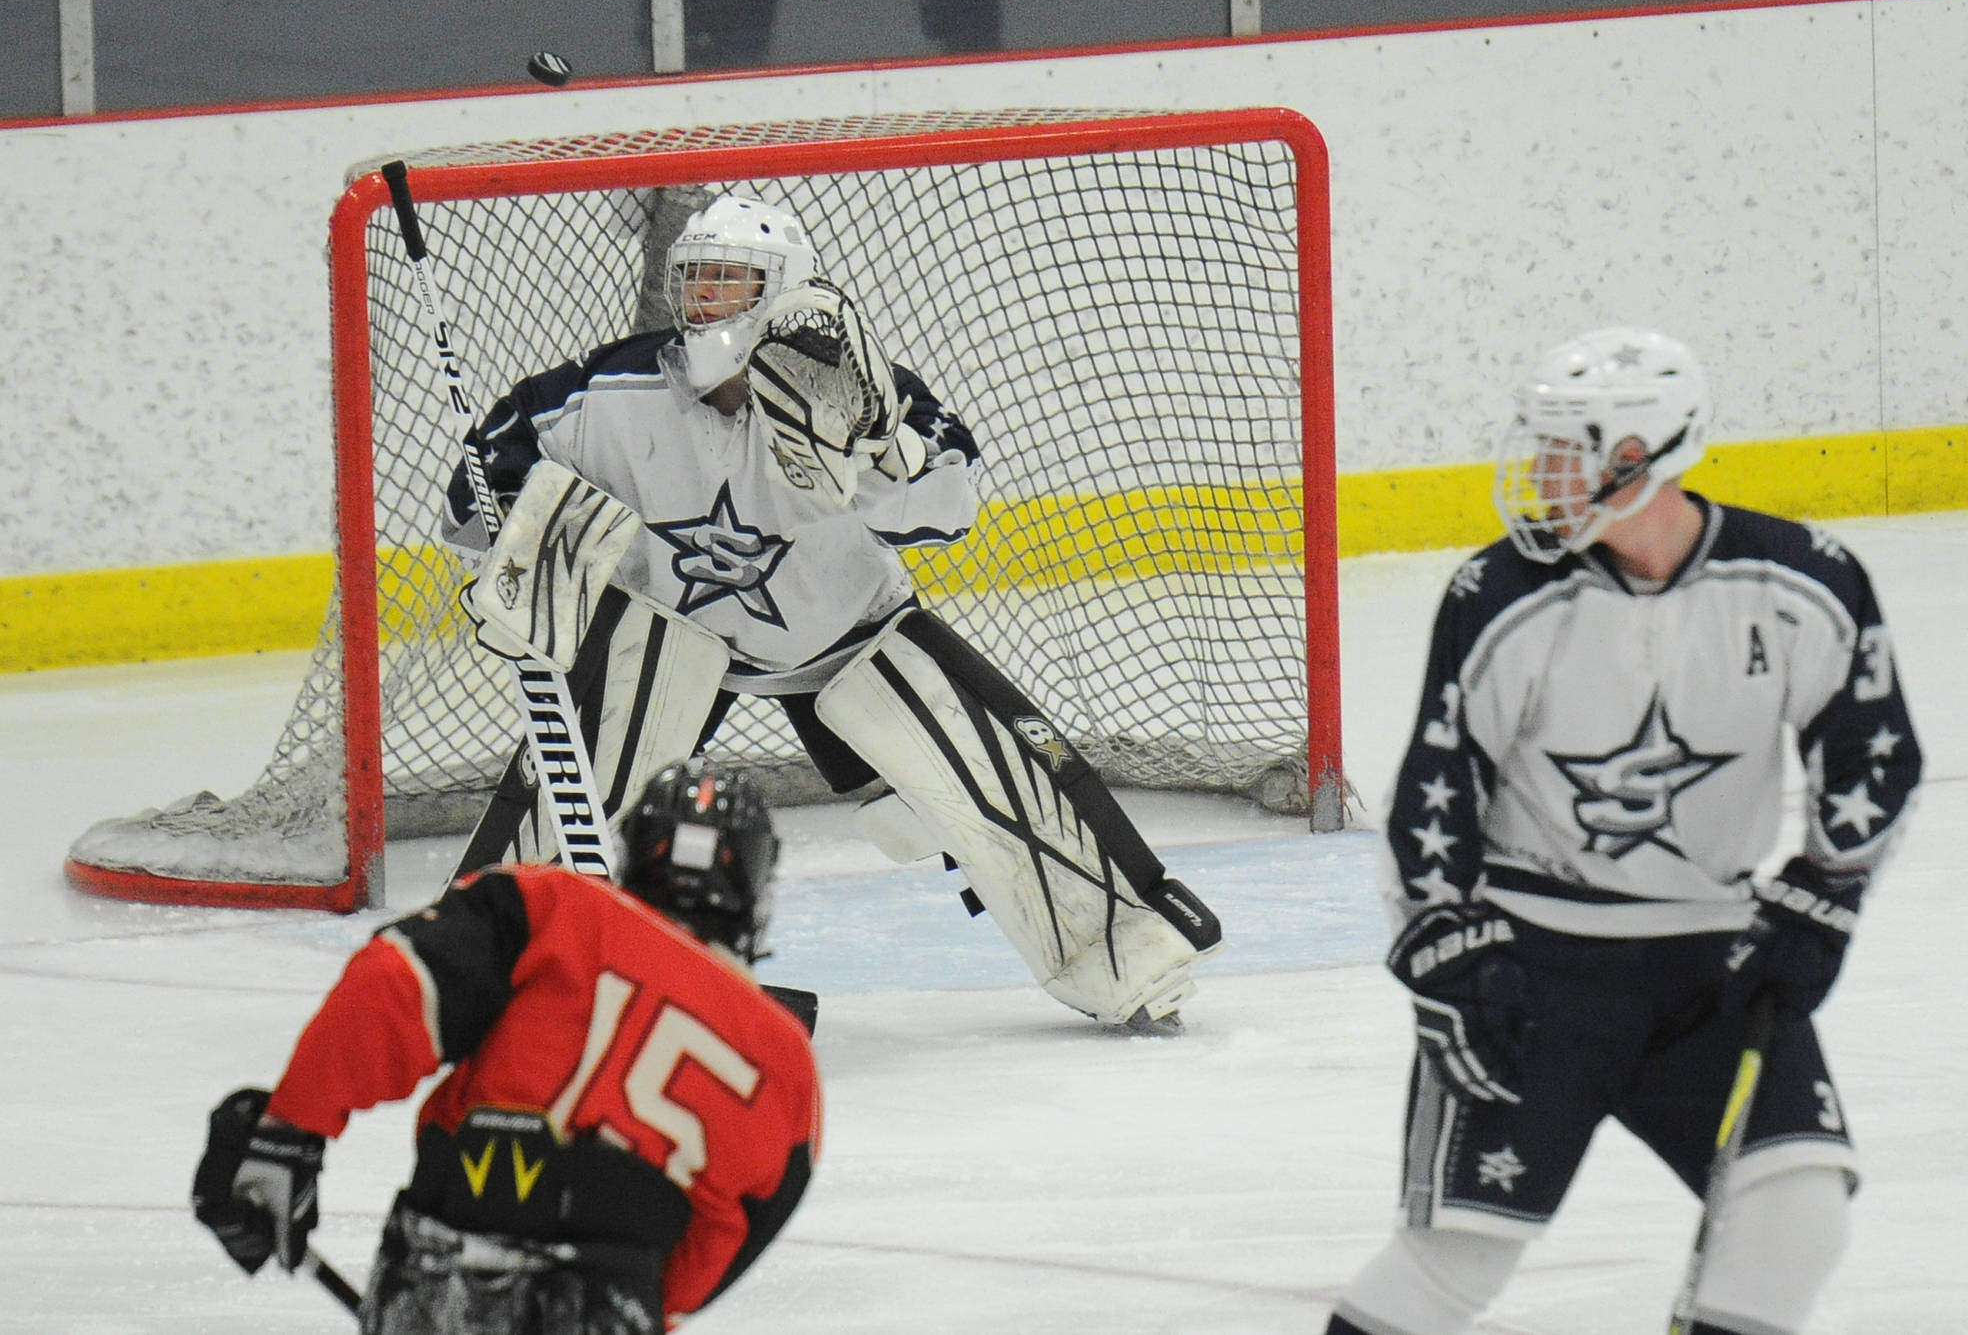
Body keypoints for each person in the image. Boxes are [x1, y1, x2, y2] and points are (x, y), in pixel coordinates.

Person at [436, 191, 1221, 1033]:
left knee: (1003, 779)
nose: (709, 303)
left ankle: (1133, 964)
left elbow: (948, 506)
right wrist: (531, 561)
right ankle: (483, 967)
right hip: (669, 641)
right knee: (570, 789)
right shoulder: (606, 392)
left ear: (784, 289)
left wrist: (877, 446)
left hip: (848, 635)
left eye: (733, 282)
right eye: (697, 282)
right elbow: (474, 500)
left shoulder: (862, 387)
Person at [1325, 328, 1921, 1335]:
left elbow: (1871, 754)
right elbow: (1436, 785)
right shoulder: (1501, 591)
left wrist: (1822, 899)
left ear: (1638, 455)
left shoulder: (1800, 578)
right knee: (1456, 1254)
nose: (1539, 473)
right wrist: (1445, 944)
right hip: (1531, 973)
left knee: (1794, 1217)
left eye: (1565, 449)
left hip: (1710, 967)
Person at [191, 764, 819, 1334]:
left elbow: (393, 991)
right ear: (754, 885)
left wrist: (289, 1133)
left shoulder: (550, 906)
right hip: (607, 1304)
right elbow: (715, 1252)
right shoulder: (785, 1059)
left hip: (440, 1265)